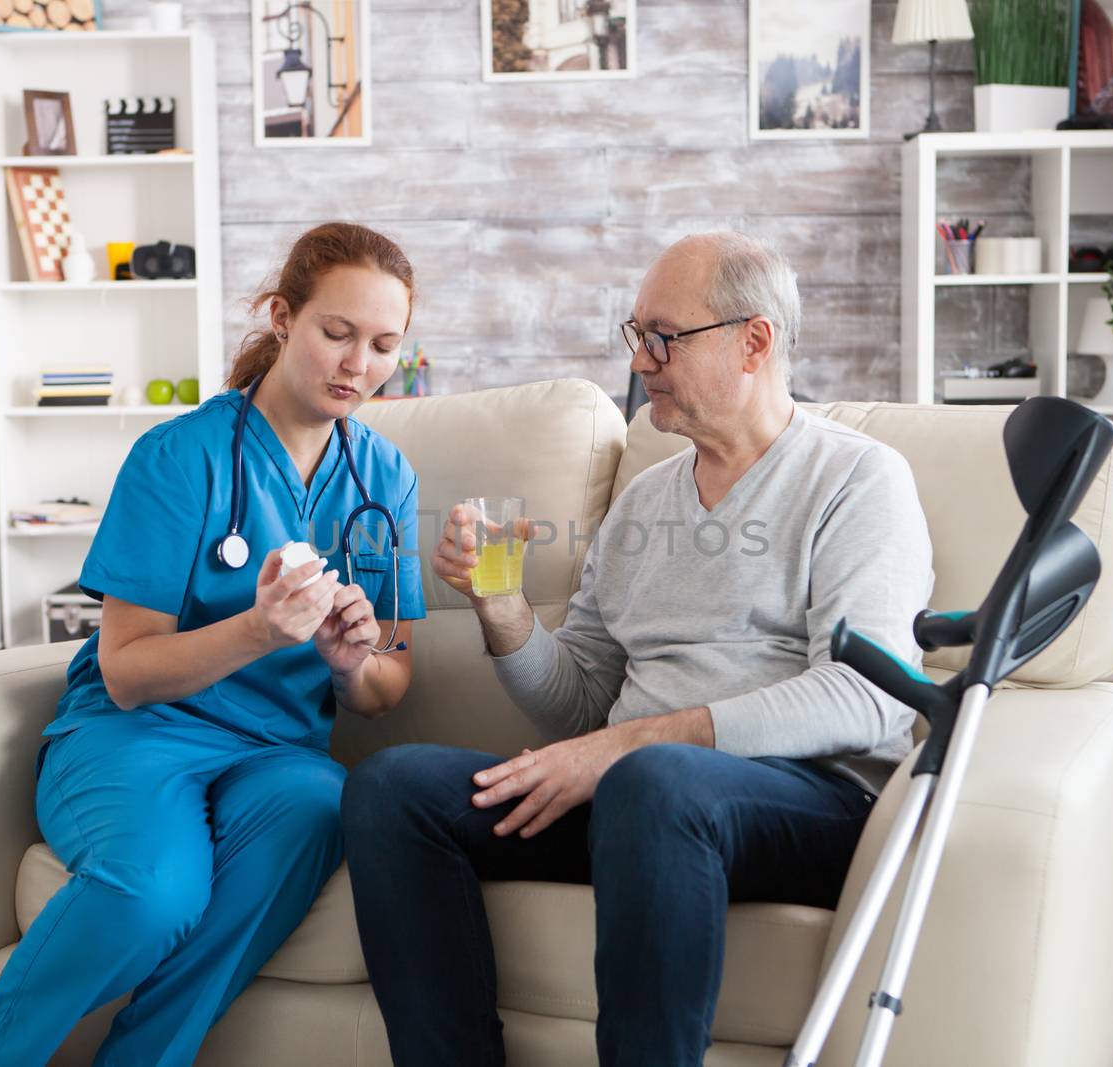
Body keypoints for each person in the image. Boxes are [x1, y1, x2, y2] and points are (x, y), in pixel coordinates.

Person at [341, 232, 934, 1067]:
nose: (643, 359)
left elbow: (868, 695)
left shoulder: (857, 479)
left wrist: (627, 748)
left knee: (654, 781)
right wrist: (502, 608)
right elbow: (582, 698)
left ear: (753, 342)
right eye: (636, 335)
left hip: (808, 800)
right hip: (638, 800)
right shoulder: (647, 500)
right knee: (392, 789)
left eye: (665, 336)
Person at [0, 223, 427, 1067]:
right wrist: (258, 630)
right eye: (336, 333)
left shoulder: (386, 477)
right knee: (154, 894)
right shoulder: (179, 457)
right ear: (281, 317)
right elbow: (124, 672)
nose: (358, 365)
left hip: (278, 752)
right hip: (137, 734)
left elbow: (391, 683)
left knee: (321, 805)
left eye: (383, 345)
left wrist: (353, 662)